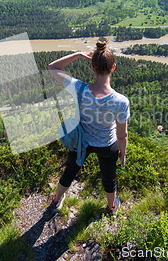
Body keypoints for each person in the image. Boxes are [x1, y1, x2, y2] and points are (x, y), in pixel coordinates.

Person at [47, 41, 130, 214]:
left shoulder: (79, 89)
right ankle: (111, 206)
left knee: (70, 171)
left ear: (92, 67)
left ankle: (56, 201)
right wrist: (122, 155)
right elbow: (122, 135)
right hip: (107, 144)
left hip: (82, 142)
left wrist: (78, 55)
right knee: (109, 178)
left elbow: (53, 67)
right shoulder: (121, 101)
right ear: (113, 67)